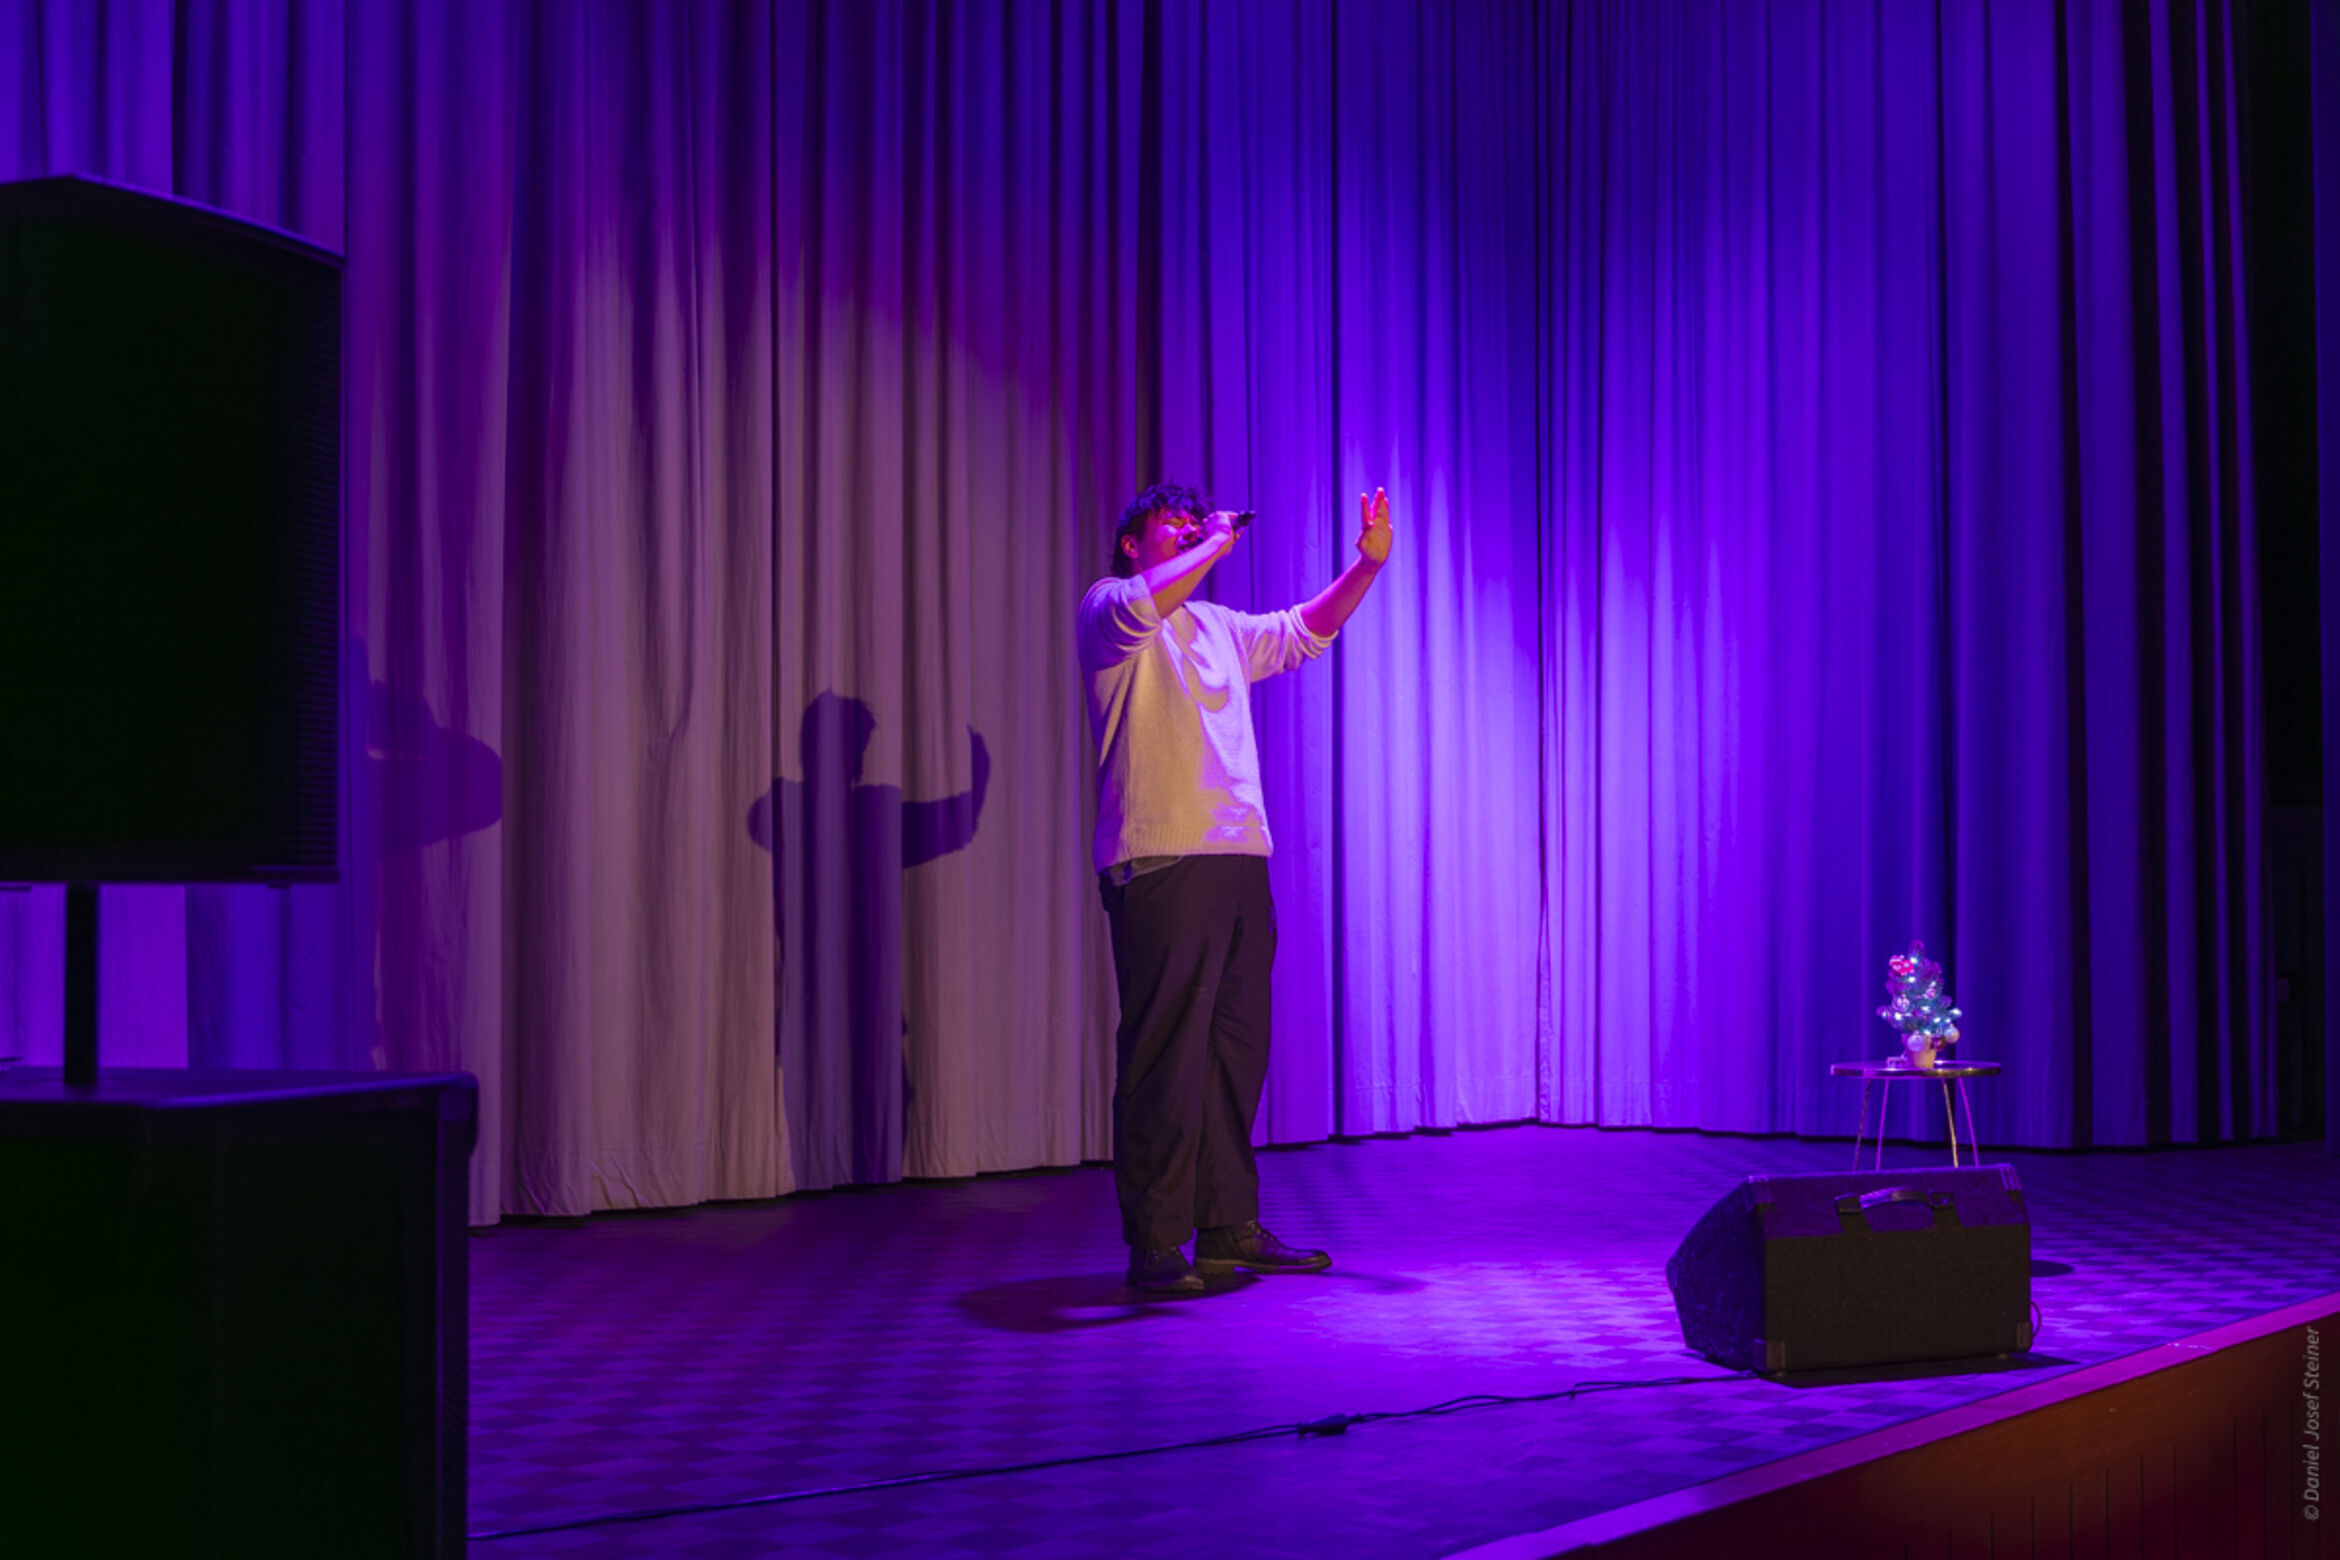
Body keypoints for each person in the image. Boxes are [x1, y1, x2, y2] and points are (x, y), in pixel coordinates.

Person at [1076, 480, 1393, 1294]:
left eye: (1196, 521)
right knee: (1165, 1057)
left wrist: (1364, 568)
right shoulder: (1109, 607)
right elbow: (1143, 605)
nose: (1188, 529)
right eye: (1171, 524)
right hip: (1161, 861)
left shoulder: (1215, 625)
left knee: (1233, 1056)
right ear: (1132, 544)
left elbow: (1299, 632)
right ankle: (1156, 1244)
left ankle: (1226, 1227)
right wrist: (1215, 540)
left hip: (1239, 857)